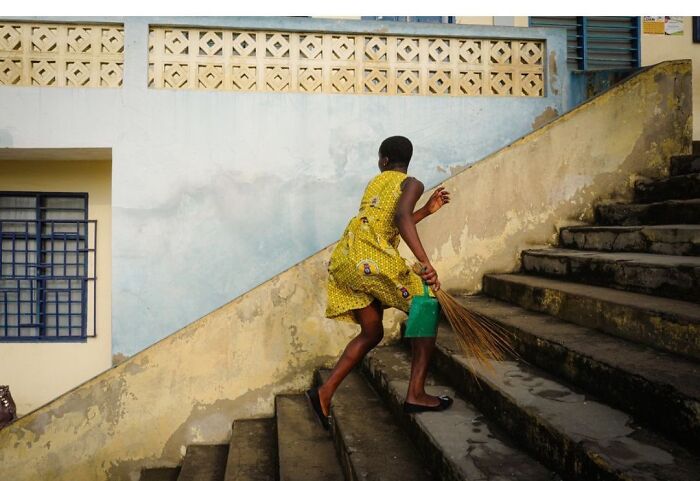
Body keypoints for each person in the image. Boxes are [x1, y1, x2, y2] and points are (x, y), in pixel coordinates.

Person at [306, 135, 453, 430]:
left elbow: (390, 221)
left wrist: (425, 211)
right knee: (426, 307)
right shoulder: (412, 183)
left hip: (349, 259)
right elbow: (401, 218)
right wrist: (425, 262)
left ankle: (323, 393)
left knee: (372, 332)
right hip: (371, 260)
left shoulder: (375, 183)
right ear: (405, 162)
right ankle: (416, 394)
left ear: (383, 161)